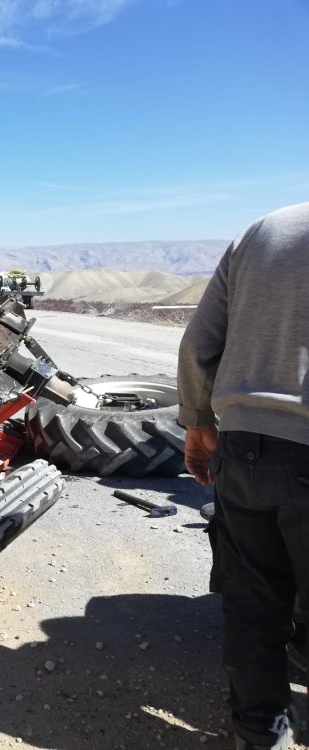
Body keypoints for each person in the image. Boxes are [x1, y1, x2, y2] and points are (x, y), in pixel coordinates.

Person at [177, 201, 309, 750]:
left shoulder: (266, 230)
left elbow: (199, 342)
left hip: (246, 447)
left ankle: (260, 734)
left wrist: (199, 424)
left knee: (252, 602)